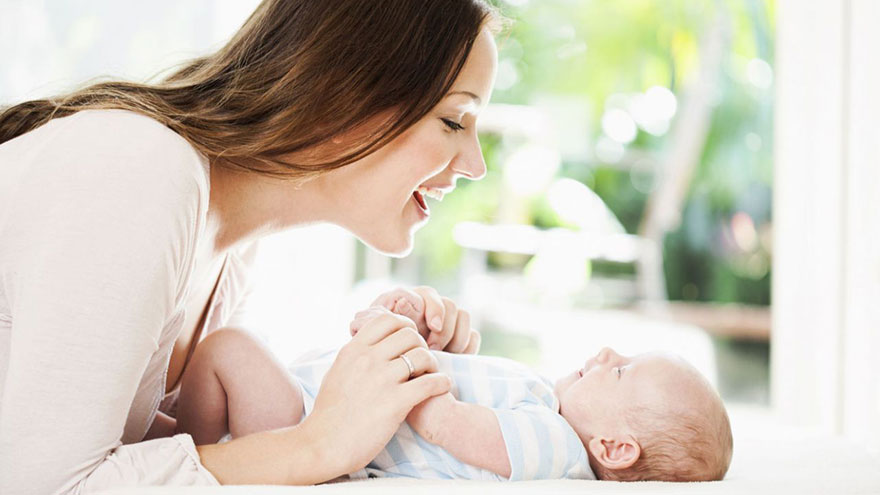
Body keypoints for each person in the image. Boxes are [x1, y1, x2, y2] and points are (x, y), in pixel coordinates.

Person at [0, 1, 502, 493]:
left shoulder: (230, 249)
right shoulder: (141, 170)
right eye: (455, 120)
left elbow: (149, 463)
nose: (477, 165)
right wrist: (318, 443)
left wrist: (397, 395)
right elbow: (45, 483)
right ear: (346, 97)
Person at [173, 302, 734, 482]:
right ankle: (177, 437)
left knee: (231, 348)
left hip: (305, 426)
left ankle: (178, 454)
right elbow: (463, 396)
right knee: (230, 353)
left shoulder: (556, 445)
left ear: (614, 449)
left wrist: (395, 345)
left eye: (621, 372)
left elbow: (443, 423)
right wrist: (412, 325)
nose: (609, 354)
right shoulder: (542, 403)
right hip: (312, 406)